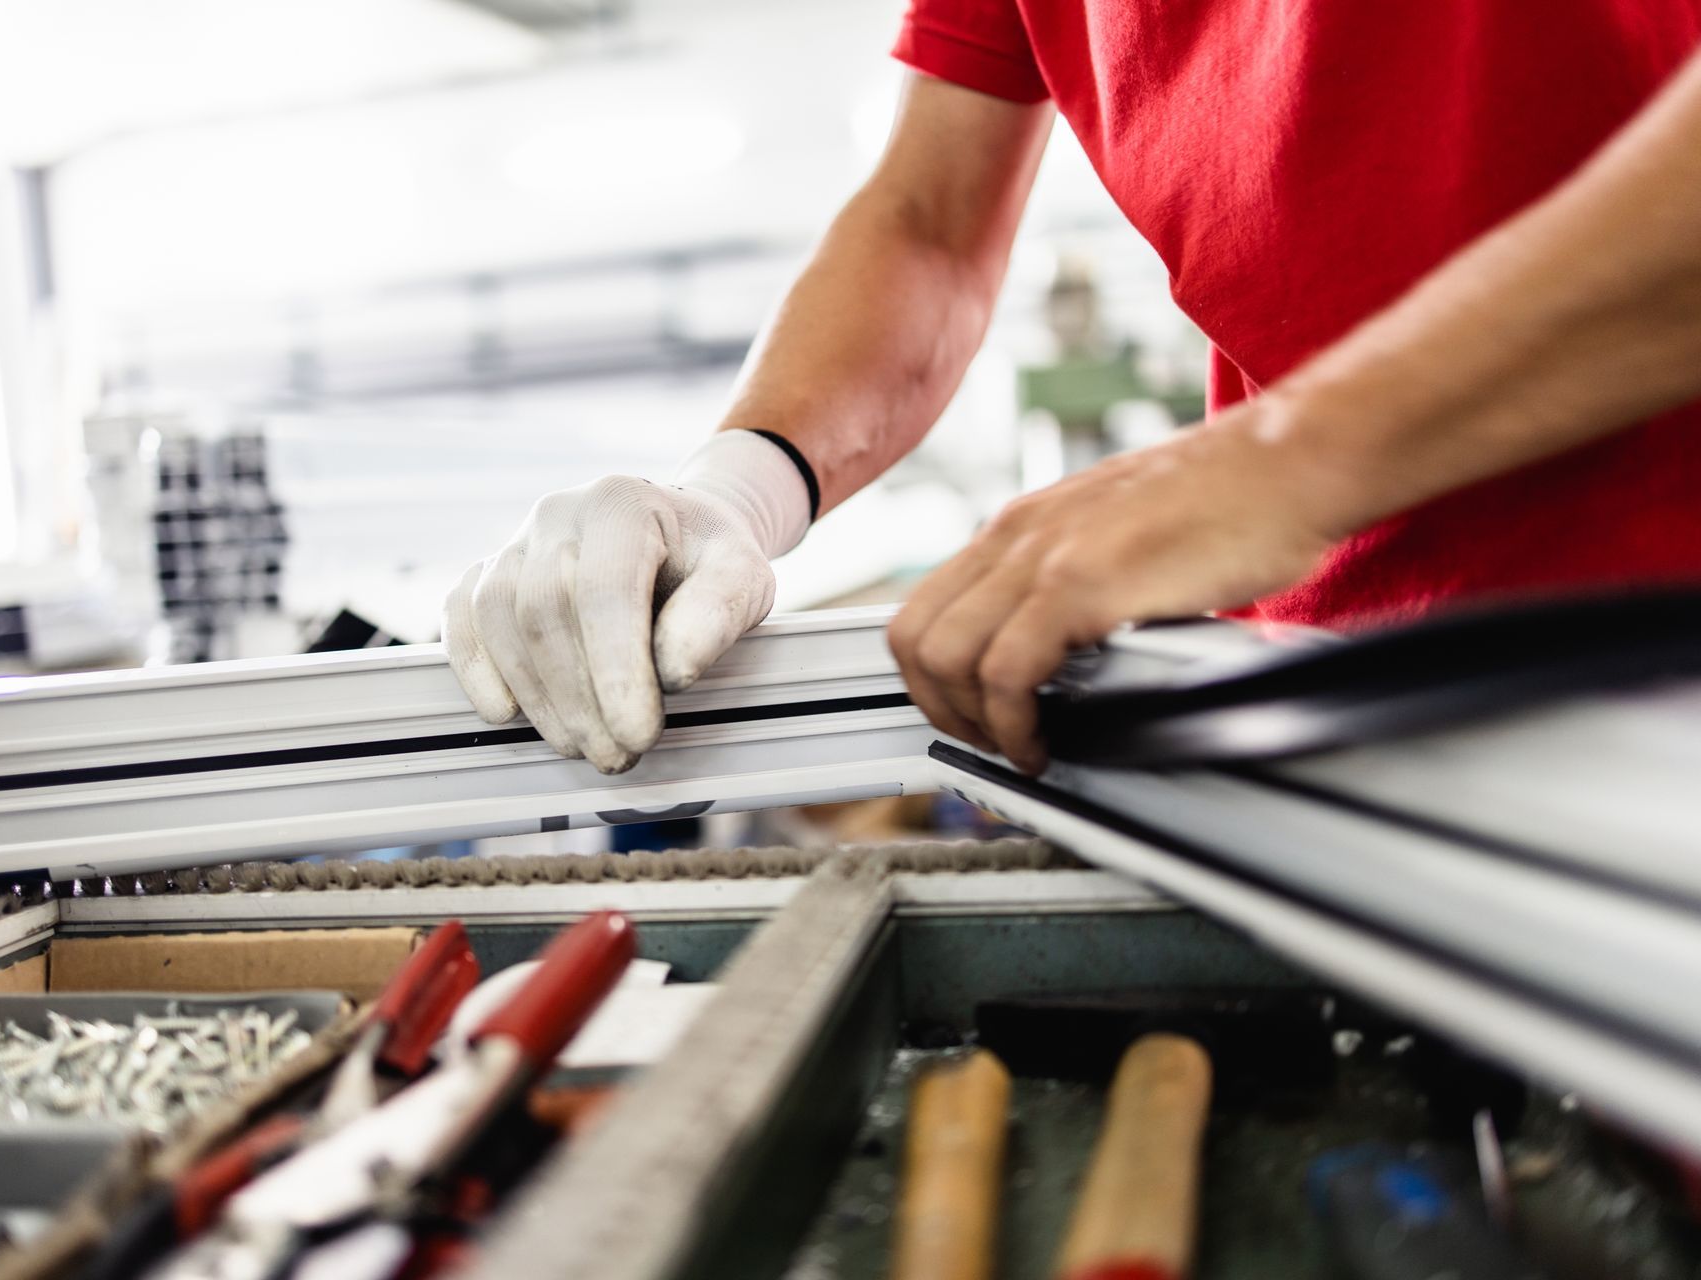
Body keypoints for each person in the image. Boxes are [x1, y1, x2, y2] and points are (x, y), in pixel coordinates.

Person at [446, 2, 1701, 778]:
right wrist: (737, 489)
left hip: (1650, 658)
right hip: (1325, 709)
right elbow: (931, 222)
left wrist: (1290, 458)